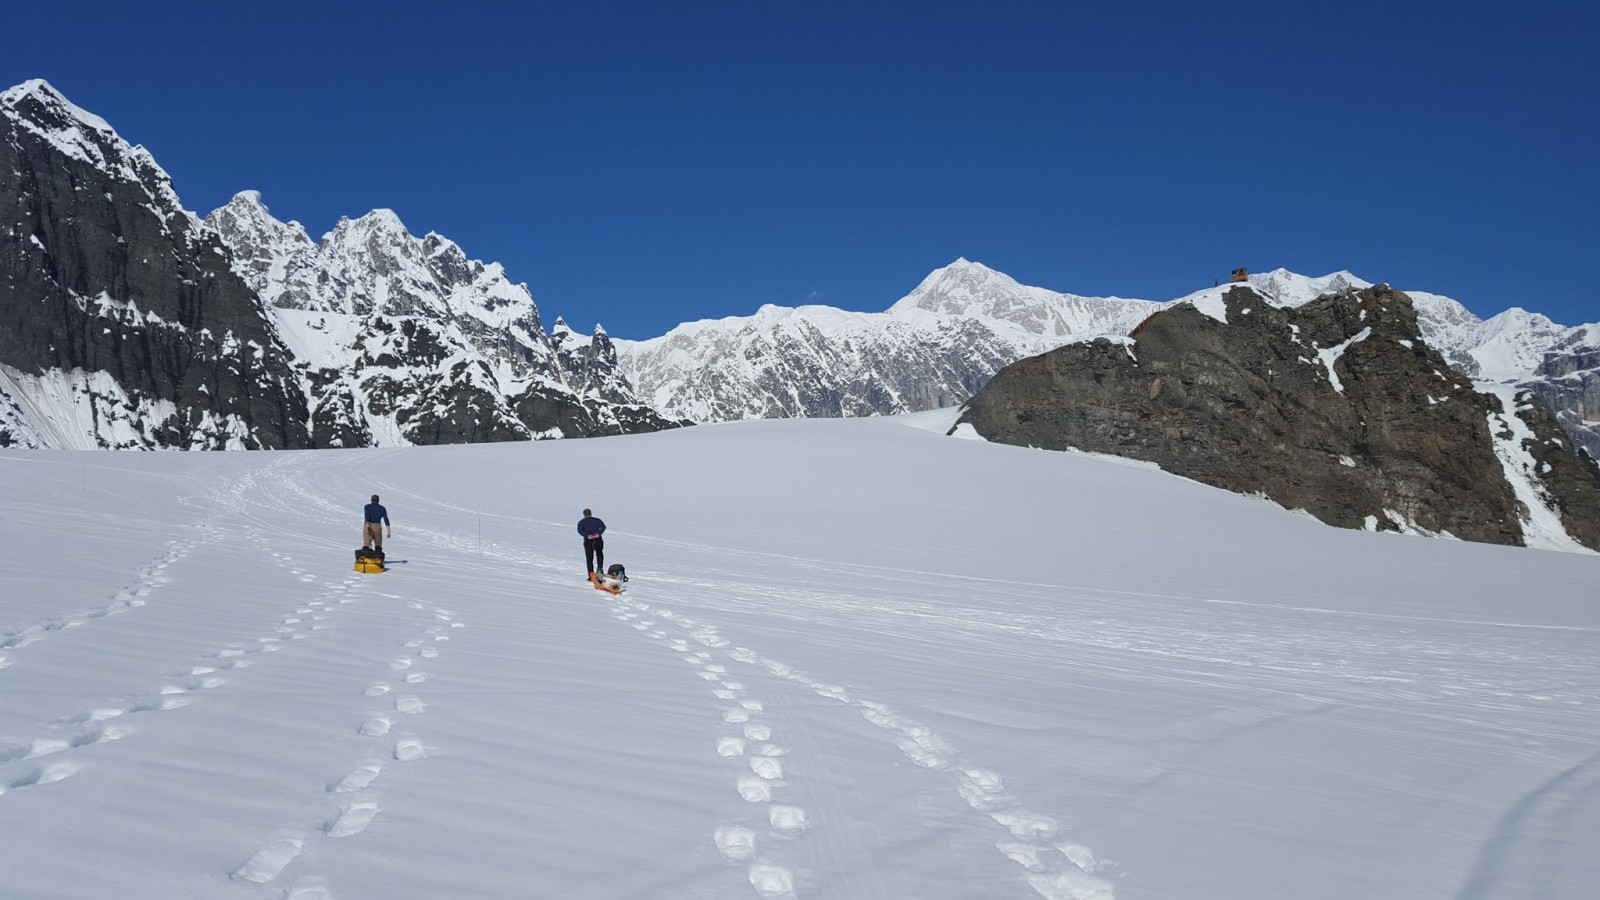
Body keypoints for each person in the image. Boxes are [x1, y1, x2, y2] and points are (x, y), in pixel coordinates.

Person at [577, 508, 606, 578]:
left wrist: (587, 536)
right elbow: (603, 526)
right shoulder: (597, 520)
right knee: (599, 554)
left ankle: (591, 575)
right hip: (598, 539)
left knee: (589, 558)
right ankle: (600, 571)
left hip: (588, 540)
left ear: (584, 514)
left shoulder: (581, 522)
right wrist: (598, 534)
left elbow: (579, 530)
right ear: (591, 513)